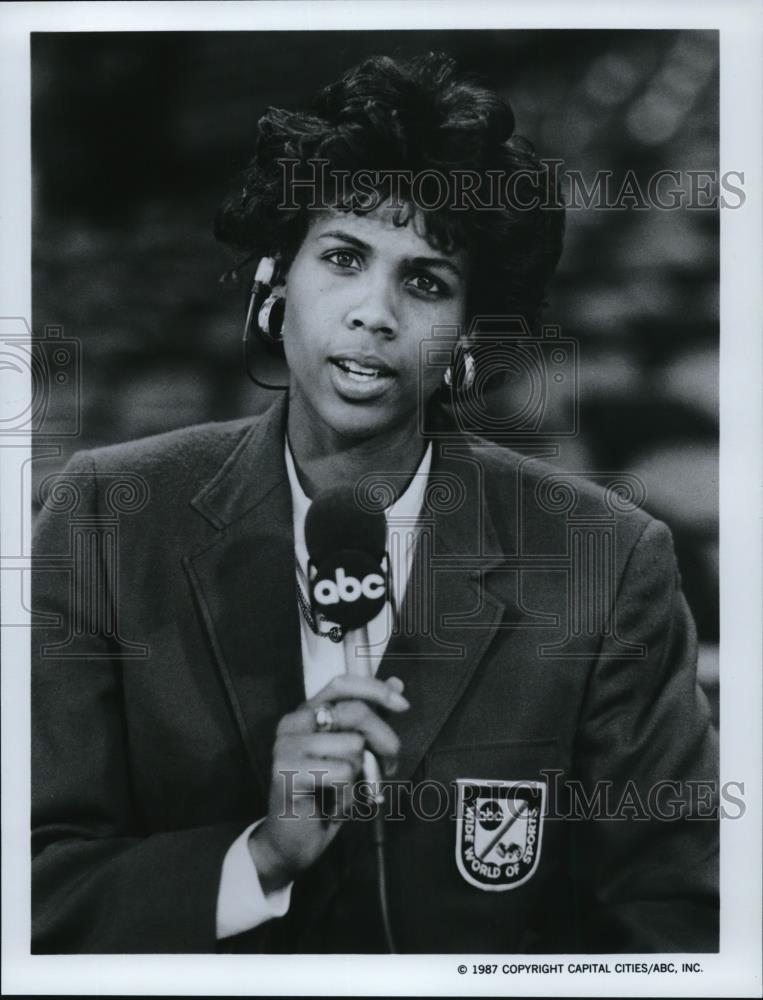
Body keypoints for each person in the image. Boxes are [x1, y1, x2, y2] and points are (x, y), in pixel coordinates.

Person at [31, 51, 718, 954]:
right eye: (345, 257)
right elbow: (37, 885)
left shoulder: (608, 558)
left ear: (468, 334)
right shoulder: (104, 516)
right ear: (278, 282)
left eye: (425, 281)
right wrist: (260, 858)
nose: (374, 312)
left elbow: (673, 915)